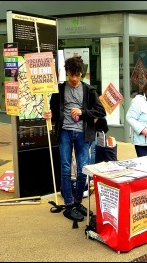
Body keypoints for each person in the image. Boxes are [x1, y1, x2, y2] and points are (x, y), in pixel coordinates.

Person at [43, 56, 106, 221]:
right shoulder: (60, 89)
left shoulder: (89, 90)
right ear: (67, 73)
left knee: (82, 168)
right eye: (71, 75)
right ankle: (69, 204)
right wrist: (50, 114)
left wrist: (82, 112)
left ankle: (78, 201)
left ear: (81, 73)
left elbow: (101, 112)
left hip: (83, 134)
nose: (74, 79)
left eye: (77, 75)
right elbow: (55, 112)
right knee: (65, 167)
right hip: (64, 132)